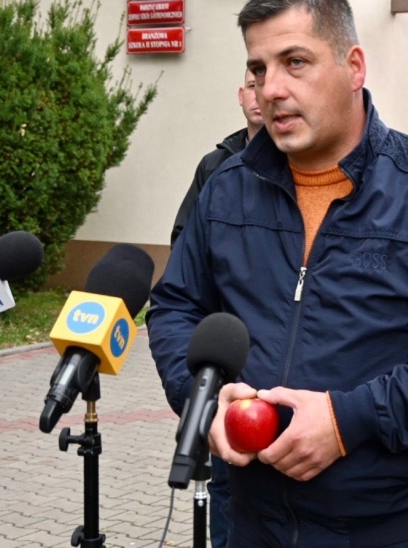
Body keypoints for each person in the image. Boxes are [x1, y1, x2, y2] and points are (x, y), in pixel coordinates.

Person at [148, 0, 408, 548]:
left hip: (392, 525)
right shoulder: (226, 188)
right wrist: (201, 397)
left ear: (354, 66)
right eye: (258, 69)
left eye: (295, 62)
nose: (271, 89)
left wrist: (350, 420)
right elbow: (175, 306)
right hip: (249, 520)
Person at [162, 68, 264, 548]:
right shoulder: (217, 167)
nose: (265, 93)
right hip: (228, 358)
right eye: (254, 82)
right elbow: (184, 256)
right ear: (241, 95)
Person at [170, 68, 264, 246]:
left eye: (266, 86)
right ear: (241, 96)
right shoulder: (213, 165)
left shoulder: (299, 163)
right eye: (253, 86)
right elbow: (184, 238)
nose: (259, 96)